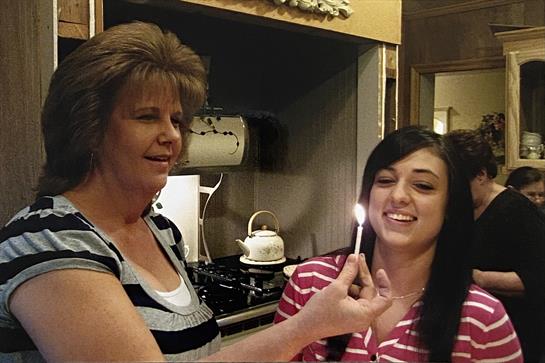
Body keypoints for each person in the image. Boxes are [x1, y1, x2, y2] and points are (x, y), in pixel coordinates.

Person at [0, 22, 394, 362]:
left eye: (177, 119)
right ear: (88, 128)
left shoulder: (161, 232)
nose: (171, 135)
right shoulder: (49, 241)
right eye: (146, 116)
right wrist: (309, 325)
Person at [275, 126, 523, 362]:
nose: (398, 196)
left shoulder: (483, 318)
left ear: (450, 205)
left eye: (423, 186)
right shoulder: (311, 281)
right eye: (385, 180)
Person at [446, 129, 545, 363]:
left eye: (457, 182)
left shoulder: (516, 211)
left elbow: (538, 278)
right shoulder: (460, 209)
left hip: (515, 329)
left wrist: (477, 277)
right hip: (470, 327)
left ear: (481, 175)